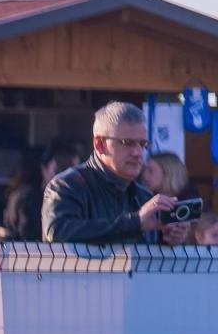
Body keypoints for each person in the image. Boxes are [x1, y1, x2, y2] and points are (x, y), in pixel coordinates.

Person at [41, 103, 193, 245]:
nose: (138, 153)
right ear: (100, 144)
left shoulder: (143, 196)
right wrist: (135, 222)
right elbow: (57, 233)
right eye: (127, 143)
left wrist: (168, 238)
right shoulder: (66, 186)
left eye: (143, 144)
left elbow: (145, 260)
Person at [2, 140, 82, 241]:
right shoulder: (27, 198)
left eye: (75, 173)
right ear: (44, 168)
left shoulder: (78, 200)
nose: (66, 179)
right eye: (59, 170)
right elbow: (30, 238)